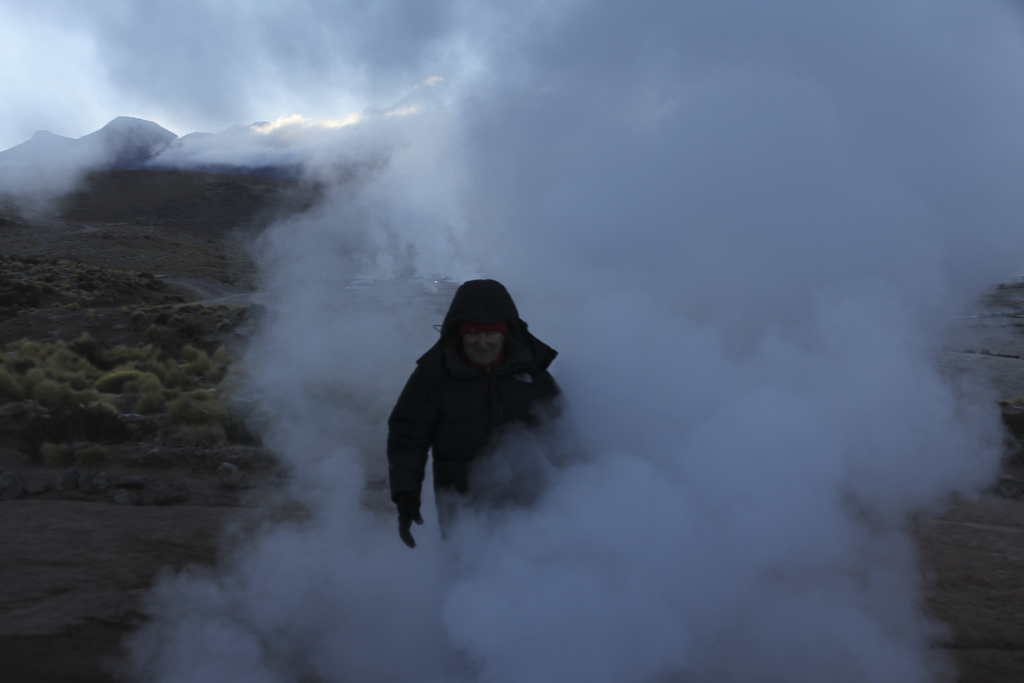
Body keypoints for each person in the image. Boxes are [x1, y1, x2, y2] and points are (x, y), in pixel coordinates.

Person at [386, 279, 560, 547]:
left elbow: (561, 434)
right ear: (458, 333)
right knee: (469, 581)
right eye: (472, 333)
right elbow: (408, 434)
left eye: (490, 333)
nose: (481, 343)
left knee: (529, 576)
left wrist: (588, 491)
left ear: (505, 334)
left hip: (526, 505)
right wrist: (406, 494)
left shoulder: (531, 372)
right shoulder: (434, 374)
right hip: (461, 507)